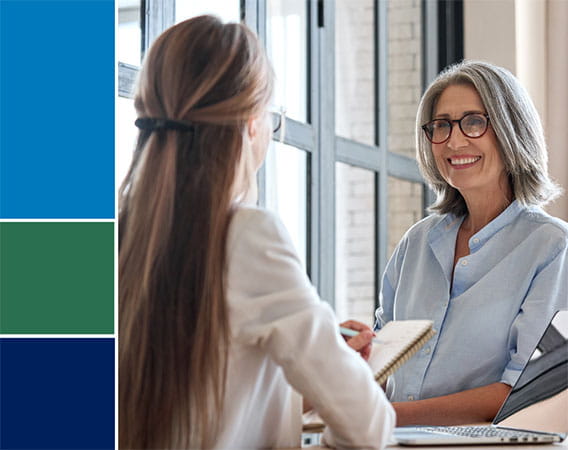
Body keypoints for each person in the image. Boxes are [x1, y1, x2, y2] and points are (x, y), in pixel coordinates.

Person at [119, 15, 395, 449]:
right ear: (251, 122)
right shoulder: (247, 236)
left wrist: (292, 366)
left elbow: (198, 405)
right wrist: (336, 363)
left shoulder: (114, 238)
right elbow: (368, 426)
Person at [376, 60, 568, 427]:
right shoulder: (415, 244)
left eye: (474, 122)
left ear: (511, 131)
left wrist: (385, 417)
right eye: (442, 125)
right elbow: (384, 365)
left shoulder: (552, 247)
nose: (455, 140)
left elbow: (519, 390)